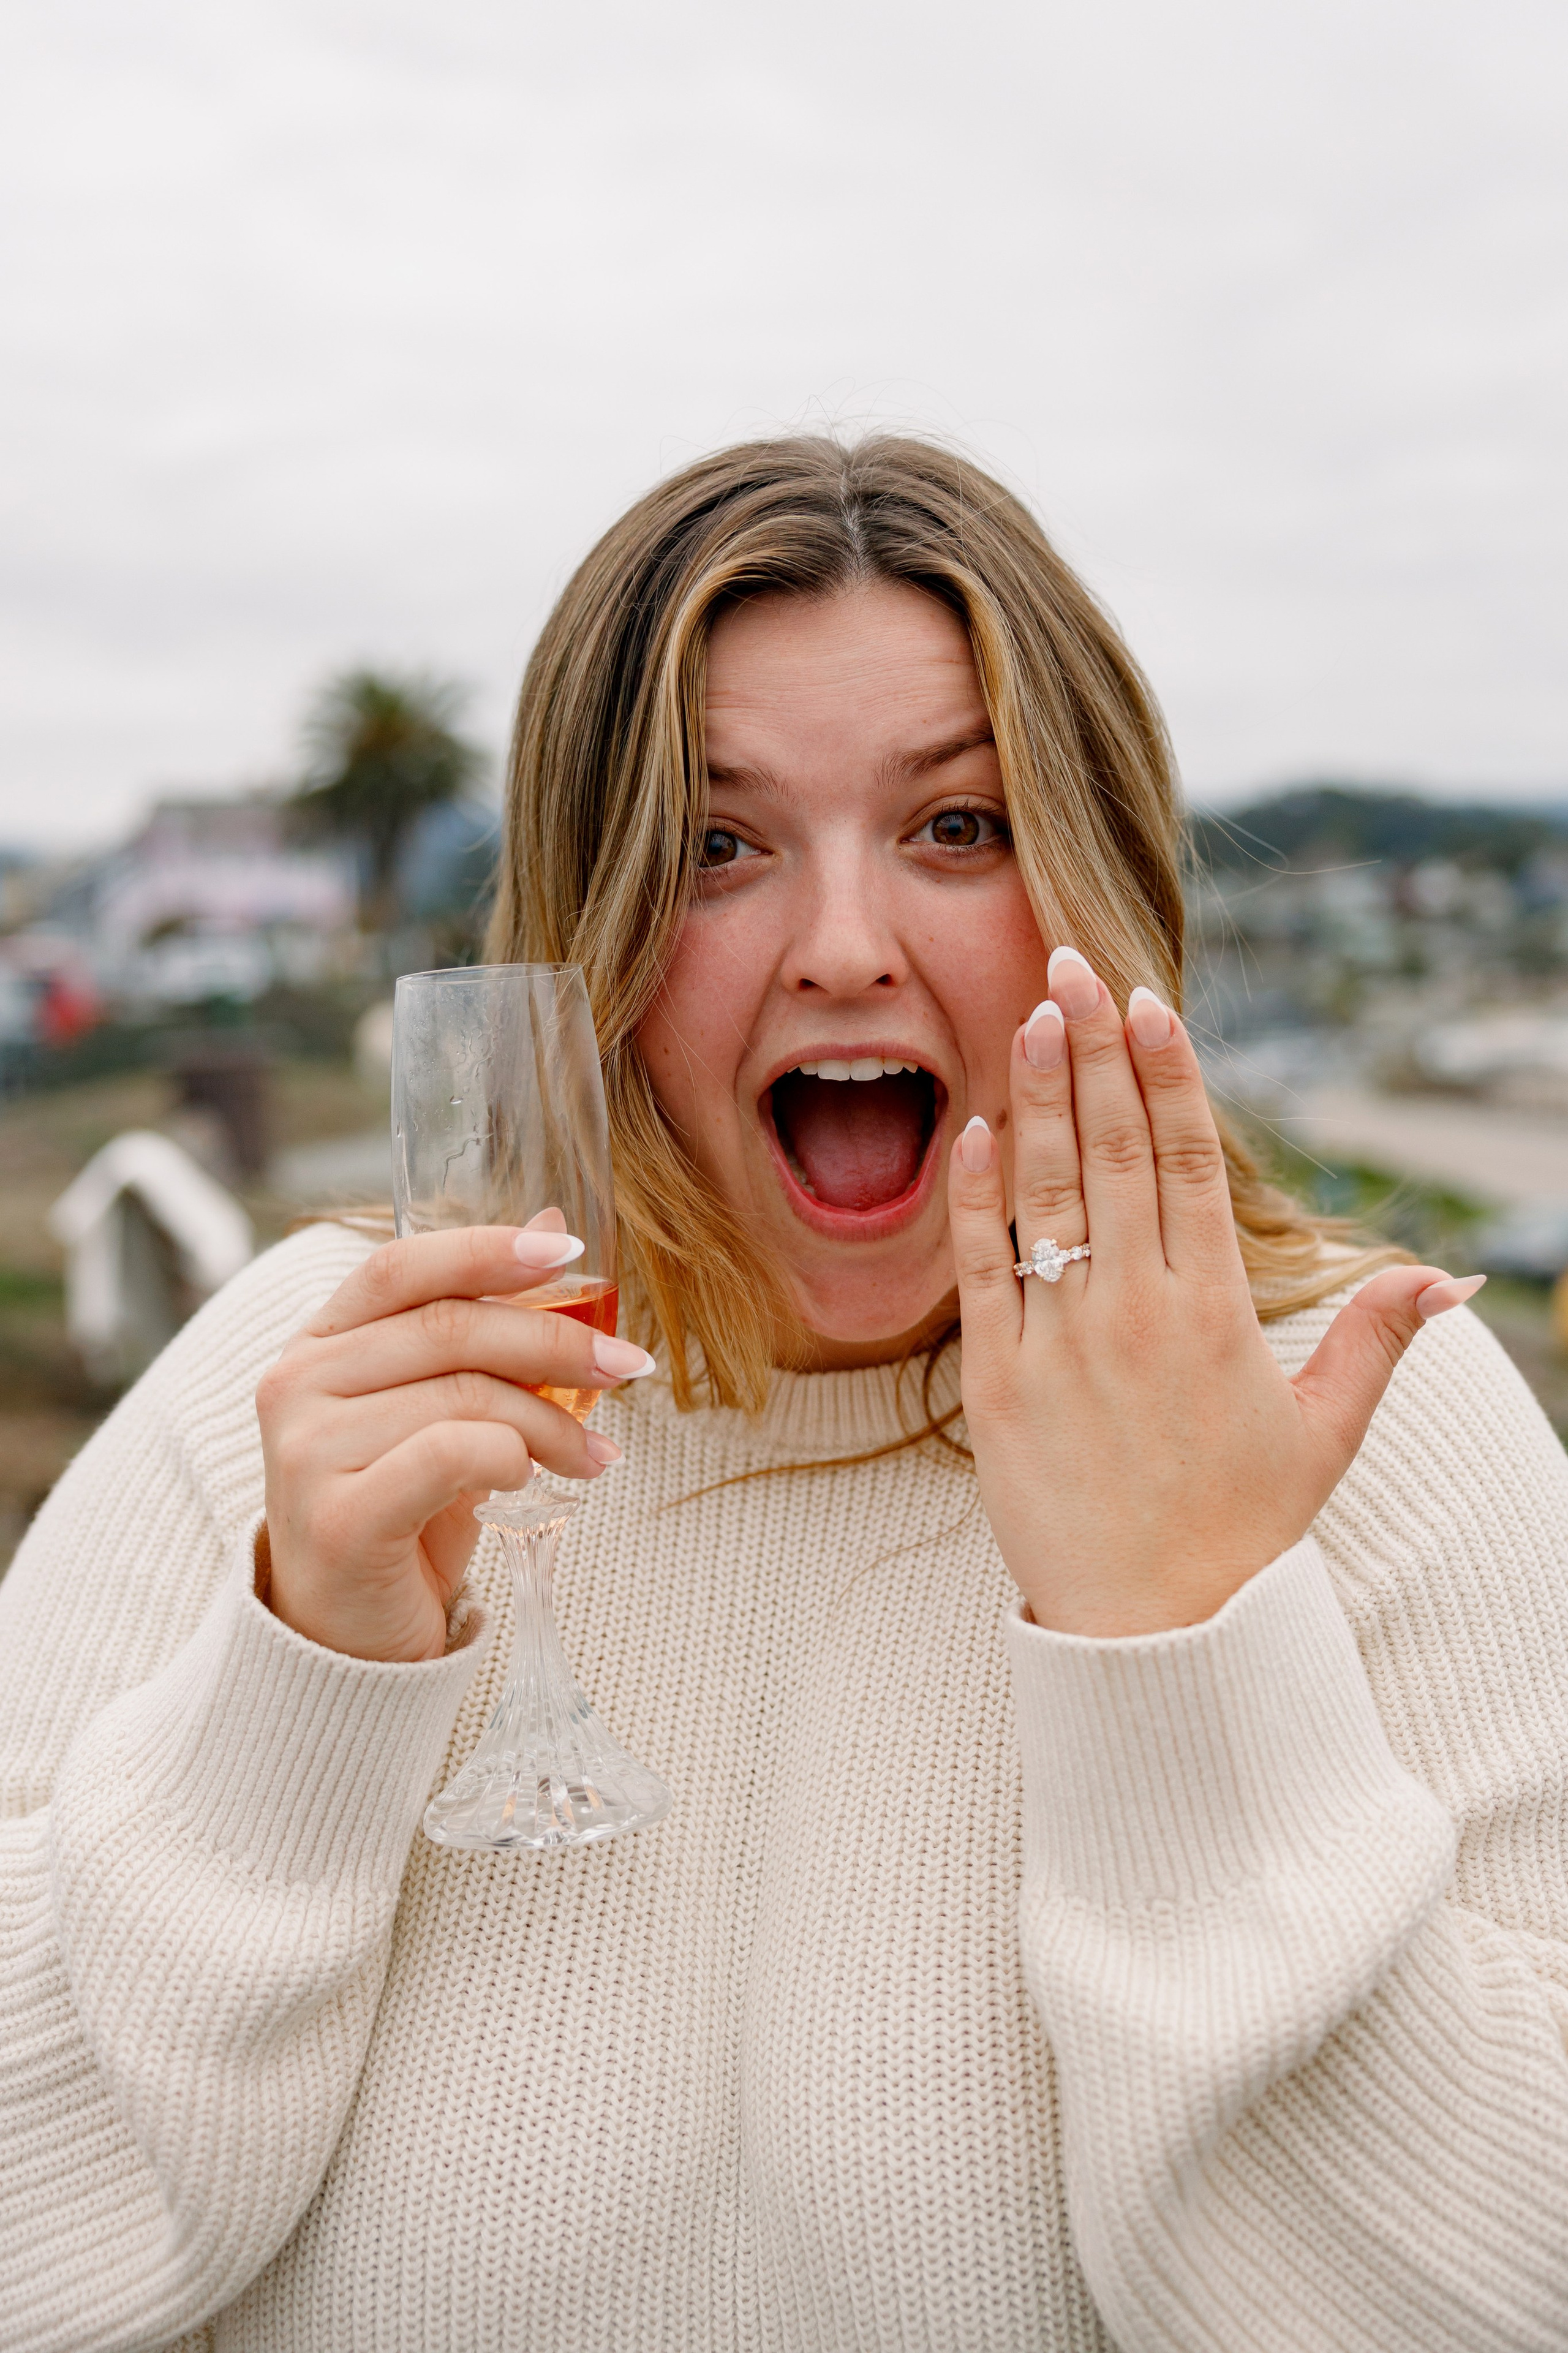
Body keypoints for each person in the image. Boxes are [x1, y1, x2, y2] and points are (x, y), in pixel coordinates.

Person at [3, 437, 1567, 2353]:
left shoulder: (1367, 1425)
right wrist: (298, 1692)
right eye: (718, 846)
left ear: (1100, 885)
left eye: (959, 826)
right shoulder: (314, 1389)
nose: (842, 946)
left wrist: (1188, 1647)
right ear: (593, 930)